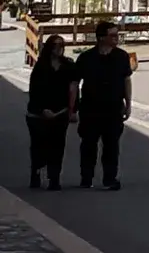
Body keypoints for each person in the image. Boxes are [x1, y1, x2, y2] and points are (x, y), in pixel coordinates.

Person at [73, 20, 132, 191]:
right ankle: (86, 177)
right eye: (112, 35)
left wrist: (128, 104)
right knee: (88, 144)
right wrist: (73, 108)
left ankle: (110, 178)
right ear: (100, 38)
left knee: (112, 146)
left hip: (113, 108)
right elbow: (75, 83)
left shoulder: (121, 57)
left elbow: (126, 80)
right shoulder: (86, 58)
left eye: (117, 35)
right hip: (90, 108)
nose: (116, 38)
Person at [25, 34, 74, 190]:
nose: (59, 48)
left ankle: (54, 178)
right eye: (56, 45)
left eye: (62, 45)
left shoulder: (68, 66)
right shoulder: (41, 67)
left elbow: (73, 89)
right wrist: (42, 109)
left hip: (60, 112)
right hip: (38, 114)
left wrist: (72, 109)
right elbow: (34, 91)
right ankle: (36, 173)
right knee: (39, 146)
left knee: (58, 146)